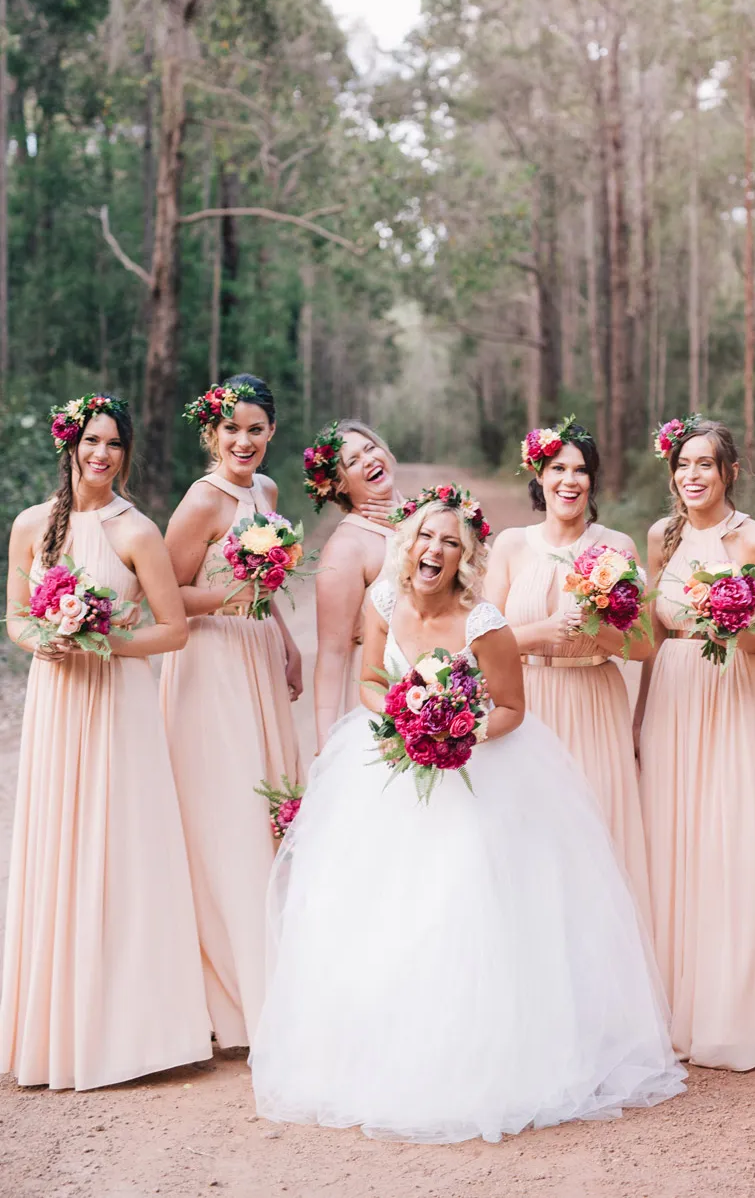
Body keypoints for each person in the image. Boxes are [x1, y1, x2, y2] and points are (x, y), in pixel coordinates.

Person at [251, 485, 685, 1142]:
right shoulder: (384, 600)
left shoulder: (484, 622)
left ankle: (486, 1061)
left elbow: (511, 707)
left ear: (464, 555)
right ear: (409, 542)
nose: (436, 549)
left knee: (465, 907)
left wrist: (459, 735)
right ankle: (384, 1057)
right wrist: (400, 717)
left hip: (475, 776)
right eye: (428, 536)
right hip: (392, 770)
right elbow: (370, 680)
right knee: (382, 914)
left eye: (451, 542)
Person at [1, 393, 210, 1089]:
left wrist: (105, 641)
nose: (101, 454)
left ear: (125, 454)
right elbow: (16, 620)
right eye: (91, 440)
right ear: (70, 444)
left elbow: (173, 629)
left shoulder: (137, 531)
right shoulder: (32, 526)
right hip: (59, 702)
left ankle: (129, 1031)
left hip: (119, 700)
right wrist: (49, 639)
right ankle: (52, 1030)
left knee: (120, 846)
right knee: (58, 843)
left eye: (114, 443)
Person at [633, 415, 755, 1070]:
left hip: (733, 697)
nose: (692, 476)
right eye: (683, 465)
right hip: (674, 695)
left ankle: (735, 1013)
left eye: (705, 464)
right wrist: (639, 714)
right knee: (675, 844)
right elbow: (649, 640)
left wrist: (728, 625)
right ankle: (674, 1006)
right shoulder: (661, 537)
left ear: (730, 472)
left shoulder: (753, 538)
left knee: (732, 844)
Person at [160, 374, 303, 1050]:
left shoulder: (267, 493)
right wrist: (231, 594)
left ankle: (272, 976)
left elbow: (267, 587)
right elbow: (164, 596)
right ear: (210, 433)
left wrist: (285, 637)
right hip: (212, 662)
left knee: (271, 810)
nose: (243, 441)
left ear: (272, 431)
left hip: (256, 655)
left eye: (255, 429)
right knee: (226, 817)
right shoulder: (201, 499)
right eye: (231, 429)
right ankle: (229, 1000)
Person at [484, 417, 652, 917]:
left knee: (594, 838)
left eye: (581, 471)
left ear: (593, 481)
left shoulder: (617, 546)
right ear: (539, 474)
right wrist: (544, 632)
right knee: (529, 840)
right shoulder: (512, 545)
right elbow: (481, 644)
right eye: (559, 468)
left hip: (593, 700)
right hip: (527, 703)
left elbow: (642, 647)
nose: (570, 481)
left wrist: (594, 631)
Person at [304, 419, 400, 749]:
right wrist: (325, 747)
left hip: (442, 691)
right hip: (378, 701)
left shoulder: (426, 520)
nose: (369, 460)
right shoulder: (346, 547)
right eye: (353, 461)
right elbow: (331, 654)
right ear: (340, 485)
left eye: (371, 448)